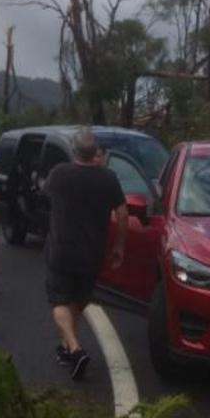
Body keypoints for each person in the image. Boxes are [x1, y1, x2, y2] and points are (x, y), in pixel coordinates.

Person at [43, 127, 127, 380]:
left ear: (74, 151)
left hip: (62, 250)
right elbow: (123, 214)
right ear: (95, 153)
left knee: (58, 301)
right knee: (79, 299)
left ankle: (76, 349)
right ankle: (67, 347)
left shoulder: (59, 174)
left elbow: (47, 196)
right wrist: (119, 246)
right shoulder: (109, 178)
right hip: (92, 253)